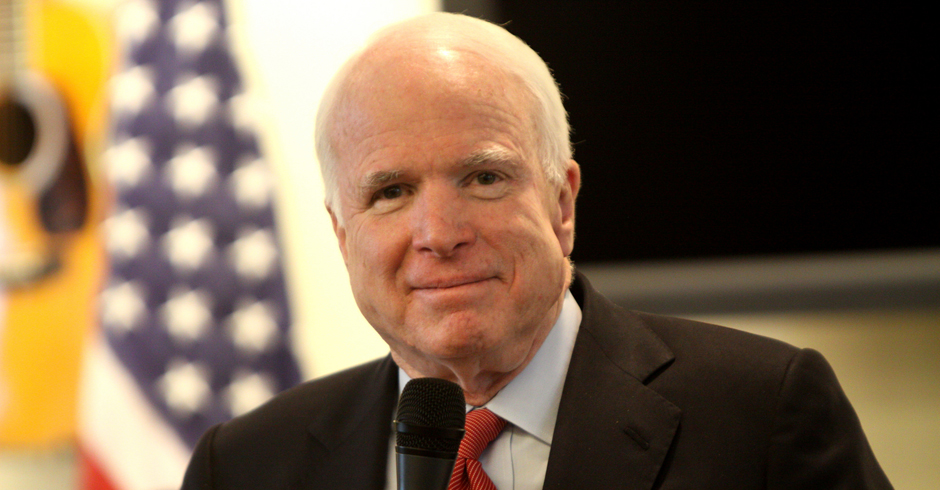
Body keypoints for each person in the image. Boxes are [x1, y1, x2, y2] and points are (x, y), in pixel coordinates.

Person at [181, 12, 891, 489]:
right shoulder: (244, 467)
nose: (438, 231)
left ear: (561, 203)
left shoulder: (763, 415)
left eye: (484, 177)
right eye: (390, 192)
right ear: (343, 234)